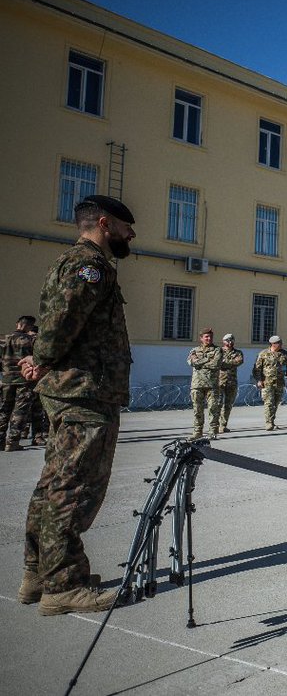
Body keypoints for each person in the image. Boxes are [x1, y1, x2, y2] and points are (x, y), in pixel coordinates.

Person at [18, 194, 135, 615]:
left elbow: (54, 322)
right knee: (74, 488)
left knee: (52, 484)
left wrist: (42, 359)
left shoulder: (67, 262)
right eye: (124, 226)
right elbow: (63, 321)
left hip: (69, 390)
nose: (130, 234)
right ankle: (63, 585)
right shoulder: (91, 266)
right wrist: (43, 358)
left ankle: (38, 573)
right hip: (84, 392)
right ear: (104, 223)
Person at [1, 315, 37, 451]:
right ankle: (12, 442)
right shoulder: (31, 340)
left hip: (6, 379)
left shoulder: (4, 339)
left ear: (17, 324)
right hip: (24, 379)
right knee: (20, 410)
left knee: (4, 409)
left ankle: (0, 439)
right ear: (30, 326)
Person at [186, 328, 221, 439]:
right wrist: (207, 360)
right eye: (206, 337)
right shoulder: (194, 350)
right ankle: (197, 431)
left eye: (210, 336)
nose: (208, 339)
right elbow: (191, 362)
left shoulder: (217, 350)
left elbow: (216, 364)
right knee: (197, 410)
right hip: (197, 384)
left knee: (213, 409)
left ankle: (212, 431)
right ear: (201, 338)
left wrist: (199, 362)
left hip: (212, 385)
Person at [253, 335, 287, 430]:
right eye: (279, 343)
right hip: (267, 382)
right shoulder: (263, 354)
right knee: (269, 403)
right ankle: (269, 423)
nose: (281, 344)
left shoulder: (284, 354)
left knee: (276, 402)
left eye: (281, 342)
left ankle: (272, 421)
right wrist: (258, 380)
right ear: (273, 344)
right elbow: (257, 369)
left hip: (280, 382)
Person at [215, 333, 244, 434]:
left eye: (232, 340)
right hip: (219, 382)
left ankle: (223, 425)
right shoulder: (218, 351)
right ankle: (215, 425)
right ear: (223, 341)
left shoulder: (238, 352)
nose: (230, 342)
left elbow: (239, 361)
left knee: (228, 405)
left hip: (231, 382)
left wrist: (224, 364)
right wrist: (228, 363)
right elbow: (215, 362)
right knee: (217, 404)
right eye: (228, 340)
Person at [26, 325, 49, 446]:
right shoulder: (37, 340)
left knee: (30, 408)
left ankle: (35, 434)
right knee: (37, 409)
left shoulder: (31, 340)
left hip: (28, 378)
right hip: (35, 378)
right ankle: (39, 435)